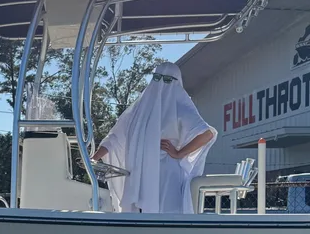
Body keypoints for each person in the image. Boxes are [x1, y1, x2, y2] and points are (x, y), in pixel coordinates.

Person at [90, 62, 217, 214]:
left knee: (166, 216)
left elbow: (207, 134)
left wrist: (179, 153)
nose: (161, 84)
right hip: (139, 174)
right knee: (137, 215)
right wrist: (94, 158)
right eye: (157, 78)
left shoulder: (180, 108)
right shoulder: (139, 110)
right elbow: (115, 137)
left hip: (166, 176)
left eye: (167, 80)